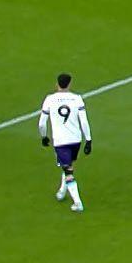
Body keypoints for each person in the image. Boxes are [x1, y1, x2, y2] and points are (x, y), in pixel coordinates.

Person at [38, 72, 91, 212]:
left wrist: (44, 137)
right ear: (70, 84)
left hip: (61, 141)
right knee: (67, 165)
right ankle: (62, 191)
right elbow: (84, 121)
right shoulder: (77, 99)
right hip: (76, 139)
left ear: (57, 84)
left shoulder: (50, 99)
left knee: (68, 171)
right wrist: (89, 140)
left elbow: (42, 124)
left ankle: (78, 203)